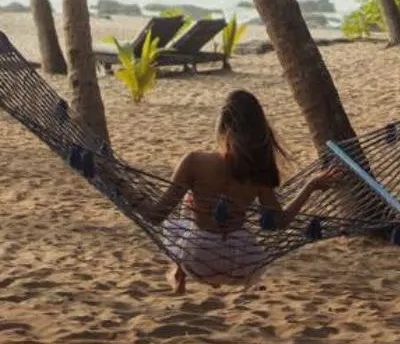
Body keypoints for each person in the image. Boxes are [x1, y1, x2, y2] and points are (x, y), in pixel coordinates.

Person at [143, 88, 338, 293]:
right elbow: (279, 223)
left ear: (222, 125)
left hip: (198, 260)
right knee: (198, 201)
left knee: (189, 203)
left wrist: (120, 185)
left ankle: (180, 272)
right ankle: (185, 270)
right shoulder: (258, 169)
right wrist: (310, 186)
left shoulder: (194, 161)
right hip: (242, 261)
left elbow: (157, 215)